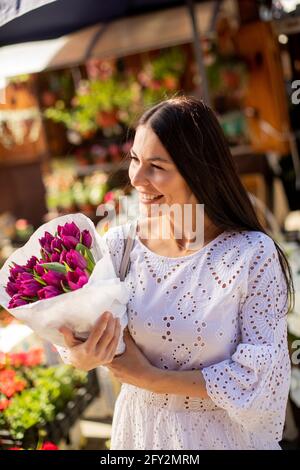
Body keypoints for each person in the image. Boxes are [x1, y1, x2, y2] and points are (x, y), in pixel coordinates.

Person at [60, 96, 293, 450]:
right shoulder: (121, 245)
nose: (136, 177)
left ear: (198, 171)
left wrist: (151, 378)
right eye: (136, 159)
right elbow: (77, 341)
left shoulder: (251, 254)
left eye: (157, 165)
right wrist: (82, 355)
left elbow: (260, 377)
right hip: (140, 436)